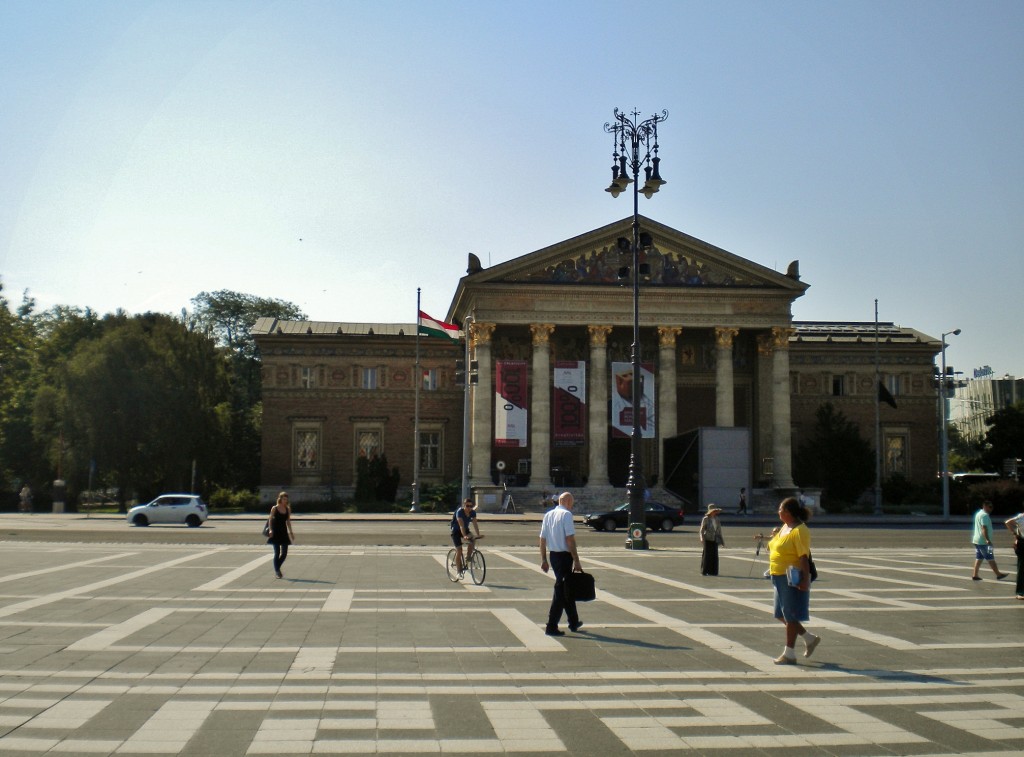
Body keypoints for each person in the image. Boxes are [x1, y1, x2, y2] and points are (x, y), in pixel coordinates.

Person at [758, 496, 820, 665]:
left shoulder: (800, 530)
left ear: (788, 512)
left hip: (790, 578)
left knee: (790, 615)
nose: (778, 512)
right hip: (777, 575)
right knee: (780, 614)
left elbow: (803, 557)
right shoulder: (785, 527)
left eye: (780, 509)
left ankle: (789, 653)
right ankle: (808, 638)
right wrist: (775, 536)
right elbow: (775, 546)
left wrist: (805, 580)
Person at [539, 491, 582, 636]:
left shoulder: (548, 514)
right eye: (572, 504)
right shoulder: (567, 515)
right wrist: (576, 559)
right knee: (560, 591)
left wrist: (544, 559)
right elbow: (570, 539)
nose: (572, 507)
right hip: (565, 557)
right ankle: (551, 626)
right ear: (568, 502)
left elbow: (542, 539)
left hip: (554, 557)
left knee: (565, 588)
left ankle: (574, 621)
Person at [971, 500, 1008, 581]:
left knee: (979, 557)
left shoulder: (978, 514)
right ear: (985, 506)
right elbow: (984, 528)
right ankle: (998, 574)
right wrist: (987, 539)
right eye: (990, 507)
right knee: (990, 557)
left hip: (977, 540)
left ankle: (975, 575)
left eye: (992, 507)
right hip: (984, 541)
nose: (991, 509)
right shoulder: (984, 515)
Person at [267, 491, 295, 579]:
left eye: (286, 499)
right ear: (280, 499)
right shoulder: (274, 508)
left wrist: (291, 533)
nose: (285, 501)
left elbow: (288, 522)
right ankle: (277, 571)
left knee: (284, 553)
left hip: (283, 532)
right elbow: (270, 520)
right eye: (283, 499)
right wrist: (270, 530)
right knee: (277, 553)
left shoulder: (288, 509)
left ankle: (277, 568)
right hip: (275, 532)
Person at [450, 498, 481, 575]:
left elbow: (475, 524)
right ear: (464, 505)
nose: (469, 508)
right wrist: (464, 536)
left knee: (473, 539)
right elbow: (461, 526)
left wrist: (478, 534)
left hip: (465, 529)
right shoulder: (459, 512)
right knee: (459, 551)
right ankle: (458, 571)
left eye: (471, 506)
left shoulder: (472, 512)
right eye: (467, 506)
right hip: (456, 531)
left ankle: (468, 557)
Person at [699, 503, 725, 576]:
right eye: (713, 511)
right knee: (707, 556)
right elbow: (701, 530)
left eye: (715, 511)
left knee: (714, 556)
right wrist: (701, 538)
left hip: (715, 539)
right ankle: (705, 571)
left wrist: (722, 541)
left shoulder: (717, 519)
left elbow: (719, 530)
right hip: (707, 539)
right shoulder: (706, 519)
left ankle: (713, 571)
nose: (715, 512)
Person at [1005, 510, 1024, 600]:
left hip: (1021, 542)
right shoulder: (1021, 517)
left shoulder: (1021, 517)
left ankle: (1021, 592)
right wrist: (1015, 534)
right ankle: (1020, 592)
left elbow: (1008, 522)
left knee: (1022, 568)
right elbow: (1008, 522)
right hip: (1022, 543)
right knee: (1021, 568)